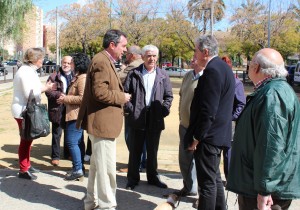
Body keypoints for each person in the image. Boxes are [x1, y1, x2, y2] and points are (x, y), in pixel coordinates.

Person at [227, 48, 300, 210]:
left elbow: (272, 145)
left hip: (264, 190)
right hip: (262, 184)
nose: (249, 67)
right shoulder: (273, 91)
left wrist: (265, 190)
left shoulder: (273, 94)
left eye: (251, 63)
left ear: (257, 67)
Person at [76, 29, 131, 210]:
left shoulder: (104, 60)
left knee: (96, 167)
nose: (125, 49)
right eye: (123, 46)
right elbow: (100, 92)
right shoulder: (101, 61)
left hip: (102, 125)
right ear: (112, 45)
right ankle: (107, 206)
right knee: (106, 170)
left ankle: (91, 203)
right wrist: (122, 97)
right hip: (102, 125)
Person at [184, 35, 235, 210]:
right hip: (218, 135)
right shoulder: (223, 67)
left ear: (205, 52)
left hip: (209, 137)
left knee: (207, 184)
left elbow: (208, 110)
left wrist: (197, 136)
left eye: (196, 51)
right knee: (214, 179)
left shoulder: (213, 70)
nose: (195, 55)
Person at [124, 44, 173, 190]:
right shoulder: (133, 73)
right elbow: (125, 94)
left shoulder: (163, 75)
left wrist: (162, 111)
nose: (151, 58)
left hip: (155, 118)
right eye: (148, 55)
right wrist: (132, 110)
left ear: (157, 58)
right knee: (135, 151)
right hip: (137, 117)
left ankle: (152, 177)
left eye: (154, 56)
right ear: (143, 57)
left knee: (152, 150)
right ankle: (132, 179)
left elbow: (169, 96)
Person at [11, 47, 56, 180]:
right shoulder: (25, 72)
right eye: (41, 58)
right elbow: (29, 93)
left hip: (26, 109)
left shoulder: (29, 70)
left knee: (28, 140)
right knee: (25, 140)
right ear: (35, 59)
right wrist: (46, 88)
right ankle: (23, 169)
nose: (43, 61)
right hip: (23, 111)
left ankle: (27, 165)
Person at [57, 53, 90, 181]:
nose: (70, 64)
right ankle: (79, 167)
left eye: (72, 62)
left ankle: (77, 170)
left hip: (76, 115)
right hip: (75, 114)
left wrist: (66, 99)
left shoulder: (82, 78)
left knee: (71, 142)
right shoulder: (79, 77)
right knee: (78, 142)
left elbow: (83, 98)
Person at [174, 58, 204, 197]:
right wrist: (181, 114)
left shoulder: (206, 77)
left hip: (198, 128)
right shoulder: (188, 75)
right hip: (184, 126)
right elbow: (181, 95)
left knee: (200, 162)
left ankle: (202, 195)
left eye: (195, 57)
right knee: (184, 159)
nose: (192, 60)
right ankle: (188, 187)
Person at [119, 45, 145, 173]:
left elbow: (118, 77)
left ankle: (136, 164)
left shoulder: (133, 65)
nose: (125, 55)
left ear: (133, 55)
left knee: (131, 137)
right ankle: (142, 163)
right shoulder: (143, 64)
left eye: (127, 53)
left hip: (132, 106)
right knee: (142, 138)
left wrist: (122, 69)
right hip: (142, 107)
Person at [221, 56, 246, 181]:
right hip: (217, 122)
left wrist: (232, 118)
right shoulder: (218, 80)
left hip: (229, 123)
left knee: (228, 152)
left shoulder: (236, 83)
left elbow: (241, 103)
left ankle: (230, 178)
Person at [46, 56, 74, 166]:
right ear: (61, 63)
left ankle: (67, 154)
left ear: (72, 64)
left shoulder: (75, 76)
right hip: (58, 108)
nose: (66, 64)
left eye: (68, 63)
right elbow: (48, 92)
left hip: (70, 108)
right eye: (64, 62)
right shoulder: (54, 76)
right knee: (57, 133)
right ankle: (55, 156)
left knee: (69, 132)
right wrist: (60, 95)